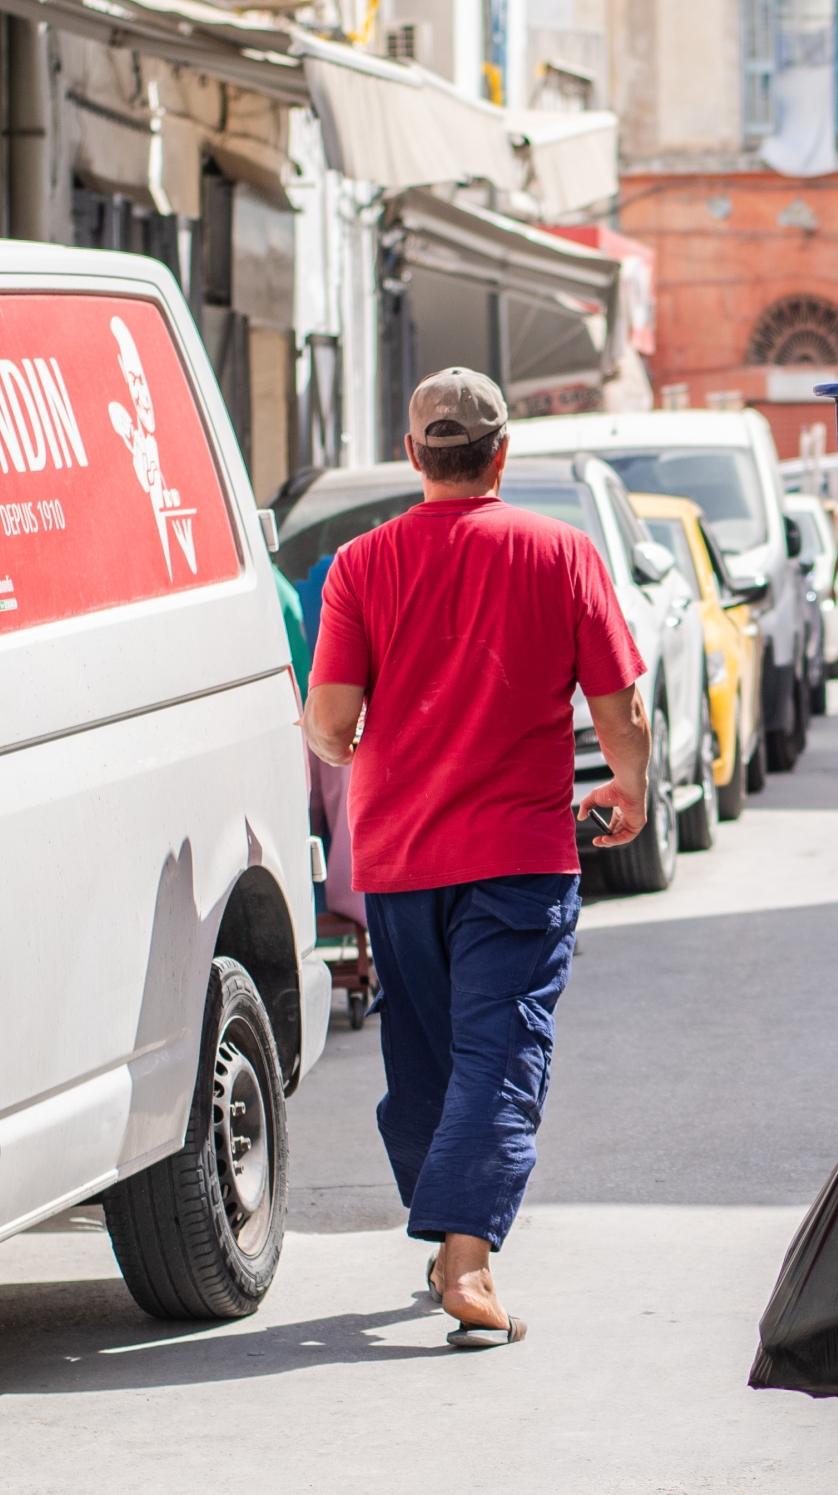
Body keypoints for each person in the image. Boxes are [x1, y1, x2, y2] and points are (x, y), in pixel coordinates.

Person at [303, 368, 653, 1349]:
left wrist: (350, 740)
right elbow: (621, 711)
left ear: (417, 457)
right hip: (521, 857)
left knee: (424, 1056)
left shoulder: (361, 566)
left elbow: (330, 726)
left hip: (401, 861)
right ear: (504, 456)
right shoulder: (562, 553)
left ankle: (448, 1220)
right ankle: (466, 1255)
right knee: (498, 1052)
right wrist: (627, 789)